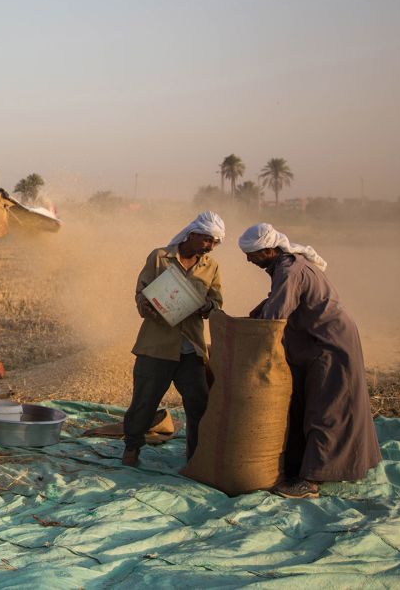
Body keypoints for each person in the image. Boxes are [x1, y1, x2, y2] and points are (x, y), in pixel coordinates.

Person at [240, 223, 381, 498]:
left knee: (326, 410)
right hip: (315, 345)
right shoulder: (284, 267)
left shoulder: (290, 269)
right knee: (306, 405)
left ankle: (312, 481)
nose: (249, 260)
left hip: (329, 344)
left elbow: (276, 314)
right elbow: (275, 301)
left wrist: (249, 345)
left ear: (269, 250)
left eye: (252, 254)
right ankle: (303, 466)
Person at [122, 211, 225, 467]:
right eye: (207, 240)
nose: (210, 247)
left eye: (214, 243)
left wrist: (205, 306)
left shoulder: (211, 267)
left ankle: (196, 456)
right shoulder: (160, 258)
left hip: (191, 349)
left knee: (198, 403)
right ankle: (132, 449)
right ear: (192, 235)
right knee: (144, 402)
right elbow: (141, 293)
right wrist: (145, 305)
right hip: (156, 345)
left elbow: (217, 304)